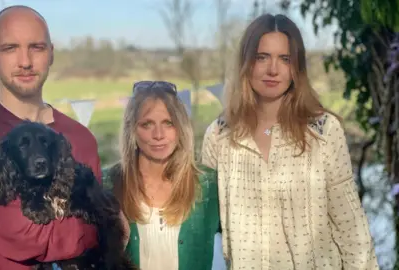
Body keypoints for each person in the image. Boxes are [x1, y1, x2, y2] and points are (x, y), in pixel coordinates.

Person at [201, 14, 379, 269]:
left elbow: (351, 228)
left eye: (285, 59)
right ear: (247, 63)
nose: (273, 69)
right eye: (262, 57)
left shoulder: (324, 131)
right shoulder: (219, 136)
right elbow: (200, 222)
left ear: (296, 68)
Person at [0, 5, 102, 270]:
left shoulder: (81, 139)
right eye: (10, 48)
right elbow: (24, 236)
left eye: (37, 47)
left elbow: (98, 239)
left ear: (51, 54)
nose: (25, 61)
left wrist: (100, 222)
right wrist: (99, 224)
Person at [102, 81, 220, 270]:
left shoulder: (208, 184)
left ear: (181, 128)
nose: (158, 135)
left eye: (168, 123)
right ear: (132, 129)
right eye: (147, 124)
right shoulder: (106, 185)